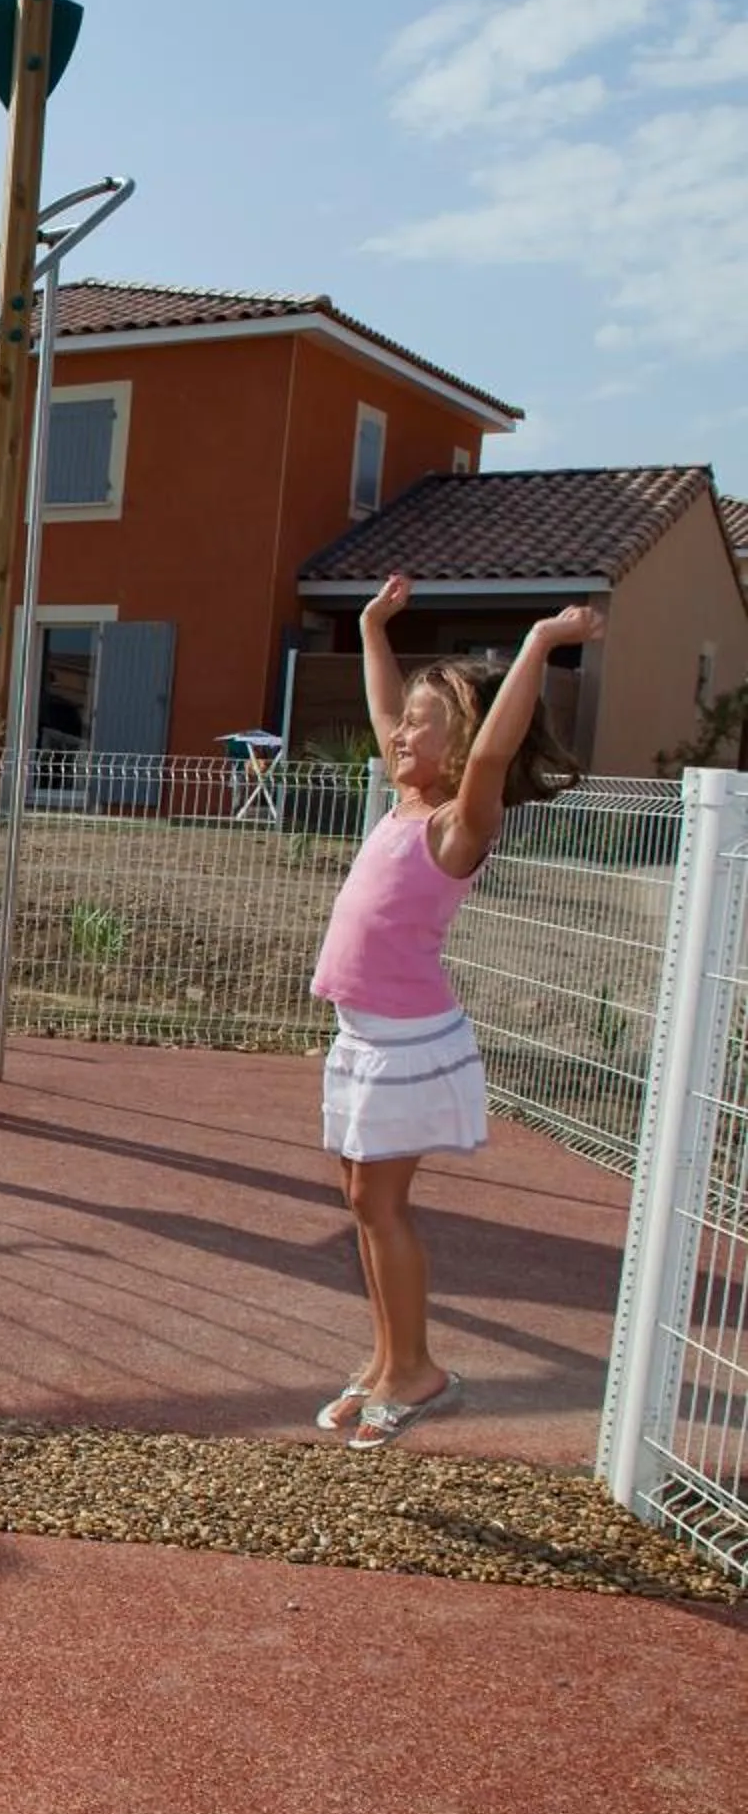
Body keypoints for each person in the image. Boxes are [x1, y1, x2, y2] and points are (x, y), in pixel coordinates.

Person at [310, 572, 588, 1450]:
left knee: (382, 1207)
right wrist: (369, 628)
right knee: (362, 1200)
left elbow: (496, 754)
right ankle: (388, 1359)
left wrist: (540, 644)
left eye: (425, 724)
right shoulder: (405, 802)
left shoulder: (456, 825)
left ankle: (417, 1369)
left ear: (458, 743)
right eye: (404, 721)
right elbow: (387, 701)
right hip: (363, 1037)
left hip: (407, 1045)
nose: (401, 729)